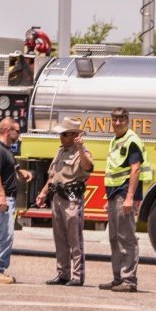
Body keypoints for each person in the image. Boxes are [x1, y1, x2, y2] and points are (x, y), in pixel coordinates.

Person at [36, 116, 94, 287]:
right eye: (61, 134)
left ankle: (77, 276)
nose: (61, 137)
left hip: (71, 200)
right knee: (59, 238)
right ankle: (63, 273)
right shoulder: (60, 151)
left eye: (65, 134)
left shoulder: (81, 152)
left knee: (74, 239)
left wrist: (80, 147)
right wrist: (43, 193)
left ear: (75, 135)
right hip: (57, 199)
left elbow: (88, 167)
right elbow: (52, 175)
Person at [99, 107, 150, 293]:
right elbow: (114, 171)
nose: (118, 122)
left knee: (126, 238)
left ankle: (129, 280)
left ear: (128, 120)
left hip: (124, 195)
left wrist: (129, 198)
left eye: (121, 119)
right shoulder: (115, 140)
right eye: (115, 119)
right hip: (115, 195)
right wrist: (109, 198)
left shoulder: (132, 140)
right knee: (114, 238)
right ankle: (118, 278)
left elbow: (135, 169)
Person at [0, 117, 33, 284]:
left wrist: (20, 172)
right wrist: (2, 196)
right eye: (17, 131)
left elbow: (8, 165)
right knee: (5, 235)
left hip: (2, 198)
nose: (19, 134)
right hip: (0, 199)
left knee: (0, 234)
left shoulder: (5, 148)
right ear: (7, 131)